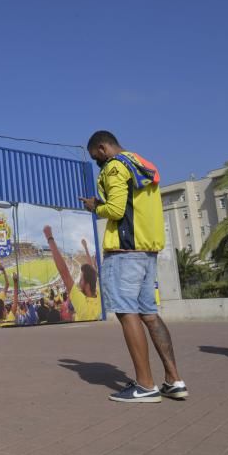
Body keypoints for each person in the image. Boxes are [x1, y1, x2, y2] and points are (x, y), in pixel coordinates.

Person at [80, 130, 188, 403]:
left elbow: (116, 210)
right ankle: (173, 380)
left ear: (103, 148)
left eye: (97, 159)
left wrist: (95, 206)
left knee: (127, 313)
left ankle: (145, 385)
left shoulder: (115, 167)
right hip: (147, 249)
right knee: (149, 314)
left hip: (124, 252)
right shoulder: (144, 163)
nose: (98, 164)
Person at [43, 225, 100, 322]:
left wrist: (50, 238)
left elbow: (65, 274)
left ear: (86, 285)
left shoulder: (83, 305)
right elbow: (92, 272)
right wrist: (85, 247)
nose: (78, 282)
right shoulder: (99, 294)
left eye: (81, 279)